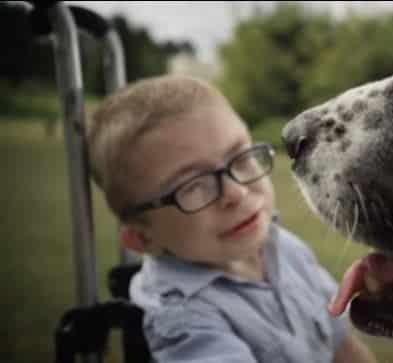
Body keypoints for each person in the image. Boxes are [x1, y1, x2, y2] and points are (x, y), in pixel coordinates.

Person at [86, 75, 376, 363]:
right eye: (193, 185)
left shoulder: (283, 247)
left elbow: (342, 344)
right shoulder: (183, 318)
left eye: (240, 156)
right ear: (142, 238)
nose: (235, 192)